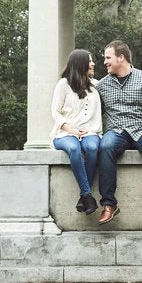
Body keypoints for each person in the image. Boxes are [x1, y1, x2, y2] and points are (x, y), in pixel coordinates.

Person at [95, 40, 142, 225]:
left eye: (108, 58)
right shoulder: (101, 86)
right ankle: (109, 205)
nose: (105, 62)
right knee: (106, 146)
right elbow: (91, 112)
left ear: (121, 57)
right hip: (116, 131)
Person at [50, 49, 103, 215]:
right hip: (64, 134)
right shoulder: (63, 84)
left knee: (93, 149)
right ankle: (87, 195)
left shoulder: (96, 85)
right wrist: (70, 129)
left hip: (90, 133)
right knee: (74, 149)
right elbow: (55, 112)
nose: (93, 63)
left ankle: (83, 197)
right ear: (80, 64)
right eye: (90, 60)